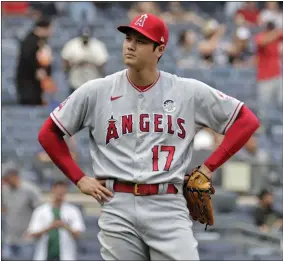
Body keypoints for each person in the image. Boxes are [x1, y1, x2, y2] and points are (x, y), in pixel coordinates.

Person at [38, 14, 260, 260]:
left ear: (160, 49)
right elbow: (48, 133)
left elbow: (247, 121)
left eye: (141, 41)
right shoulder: (96, 90)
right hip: (117, 204)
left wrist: (208, 168)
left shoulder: (187, 91)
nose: (131, 45)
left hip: (167, 203)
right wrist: (79, 178)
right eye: (128, 38)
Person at [26, 181, 85, 260]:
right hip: (44, 255)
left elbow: (77, 234)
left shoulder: (73, 211)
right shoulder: (40, 211)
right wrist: (49, 227)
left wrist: (64, 226)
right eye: (58, 190)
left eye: (63, 191)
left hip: (66, 255)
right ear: (53, 190)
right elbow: (33, 233)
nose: (60, 193)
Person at [2, 162, 42, 259]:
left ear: (14, 176)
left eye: (7, 178)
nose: (5, 181)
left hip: (27, 240)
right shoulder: (4, 190)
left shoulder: (30, 190)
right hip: (9, 239)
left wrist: (34, 230)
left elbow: (41, 213)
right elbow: (4, 209)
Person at [16, 17, 53, 105]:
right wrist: (37, 69)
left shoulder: (41, 41)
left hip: (37, 85)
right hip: (29, 85)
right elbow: (28, 58)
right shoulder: (29, 41)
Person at [61, 26, 109, 94]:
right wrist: (75, 63)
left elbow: (102, 63)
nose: (85, 39)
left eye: (87, 37)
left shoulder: (98, 46)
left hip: (93, 81)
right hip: (75, 82)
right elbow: (65, 61)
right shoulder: (72, 44)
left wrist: (89, 62)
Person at [254, 21, 283, 132]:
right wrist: (275, 33)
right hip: (264, 78)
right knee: (264, 107)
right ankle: (262, 130)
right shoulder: (260, 36)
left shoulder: (277, 38)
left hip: (278, 76)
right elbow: (262, 42)